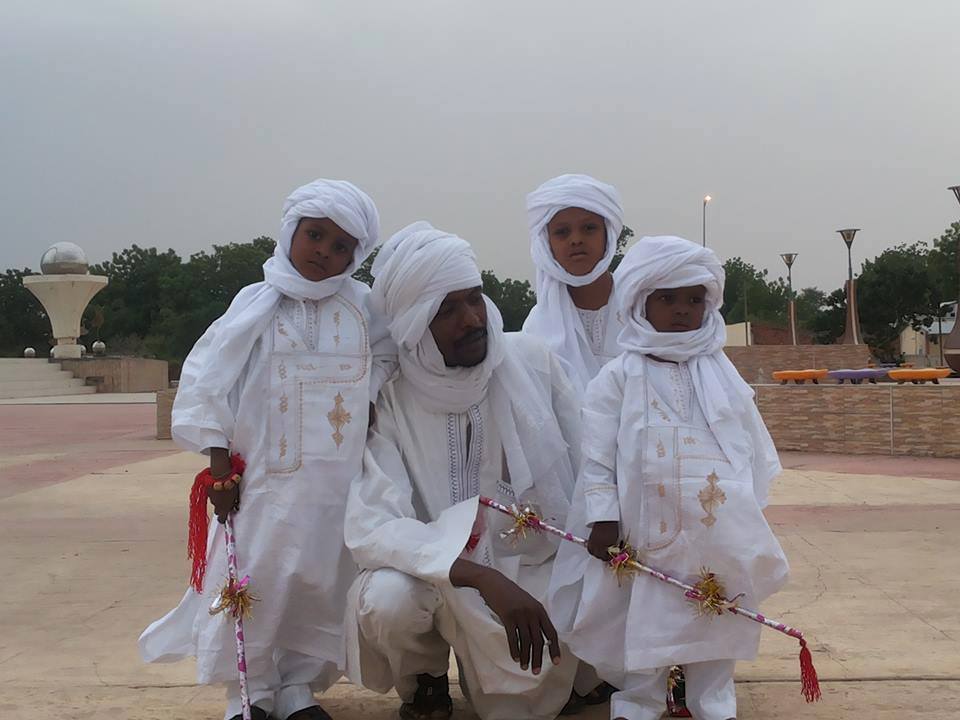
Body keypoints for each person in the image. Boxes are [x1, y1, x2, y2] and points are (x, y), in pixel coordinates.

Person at [139, 179, 395, 720]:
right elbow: (210, 379)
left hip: (335, 485)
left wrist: (369, 394)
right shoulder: (256, 303)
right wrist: (218, 465)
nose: (325, 252)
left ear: (357, 255)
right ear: (291, 231)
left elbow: (389, 359)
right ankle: (248, 693)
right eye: (316, 235)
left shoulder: (364, 307)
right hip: (259, 480)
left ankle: (300, 688)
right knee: (253, 576)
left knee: (318, 582)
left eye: (342, 246)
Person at [343, 222, 582, 720]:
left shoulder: (533, 364)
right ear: (413, 324)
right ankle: (425, 680)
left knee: (526, 702)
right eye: (447, 310)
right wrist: (475, 574)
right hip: (431, 575)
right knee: (388, 599)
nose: (473, 319)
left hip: (525, 565)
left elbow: (584, 470)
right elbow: (373, 525)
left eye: (474, 299)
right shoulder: (388, 399)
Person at [548, 236, 790, 720]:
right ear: (640, 303)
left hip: (714, 533)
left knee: (717, 620)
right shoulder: (618, 376)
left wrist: (746, 511)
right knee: (644, 627)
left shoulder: (720, 372)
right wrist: (602, 517)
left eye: (694, 299)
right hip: (643, 533)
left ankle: (714, 705)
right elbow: (597, 457)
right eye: (668, 299)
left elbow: (745, 447)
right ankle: (638, 705)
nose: (683, 311)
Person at [523, 173, 626, 395]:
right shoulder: (536, 328)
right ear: (546, 244)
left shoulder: (642, 311)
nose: (576, 239)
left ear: (607, 234)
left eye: (589, 228)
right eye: (562, 232)